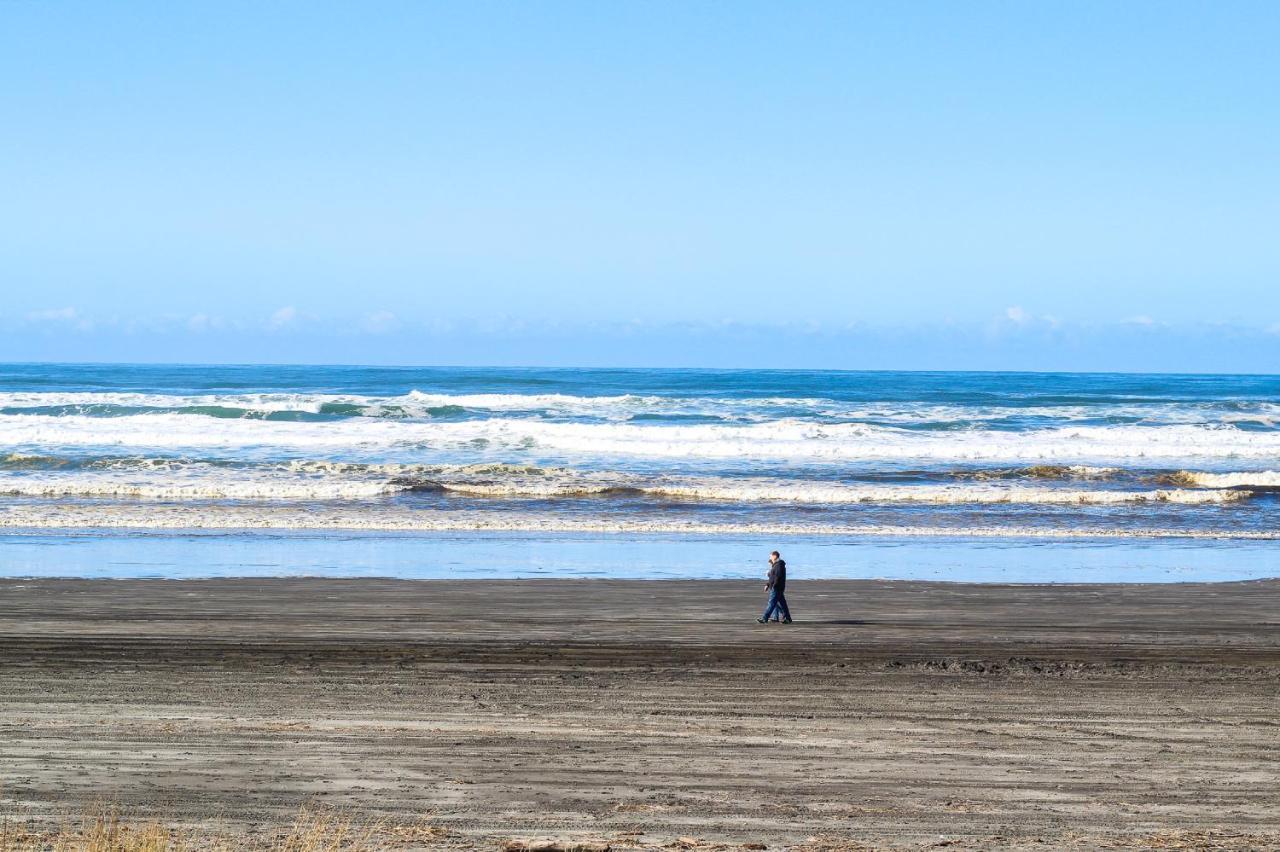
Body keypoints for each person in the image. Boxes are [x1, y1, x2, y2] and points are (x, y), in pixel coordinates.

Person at [757, 550, 792, 624]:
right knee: (781, 604)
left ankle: (765, 618)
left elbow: (777, 576)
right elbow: (772, 577)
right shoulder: (776, 565)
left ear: (775, 556)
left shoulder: (779, 564)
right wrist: (768, 584)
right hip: (777, 587)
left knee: (772, 603)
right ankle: (787, 618)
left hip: (777, 587)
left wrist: (774, 585)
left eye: (771, 556)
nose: (770, 558)